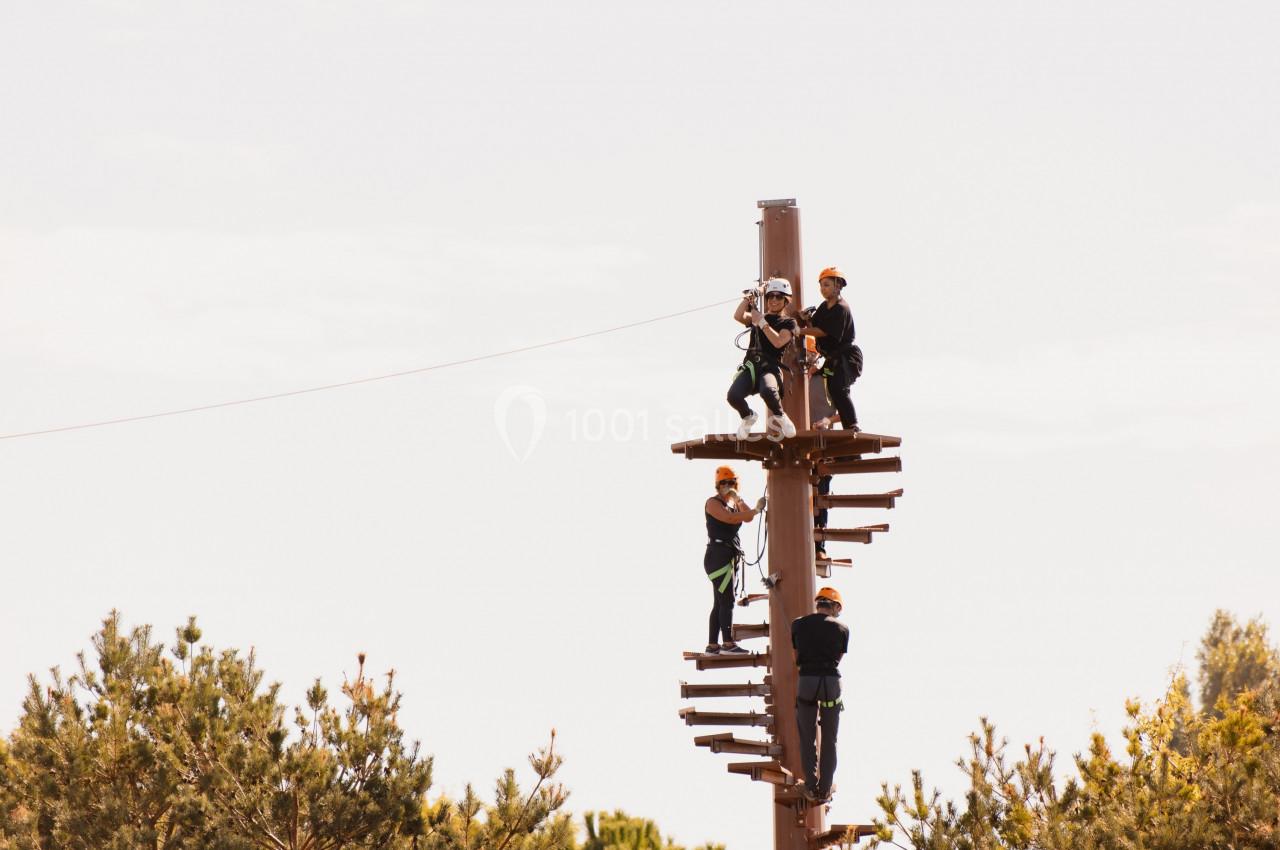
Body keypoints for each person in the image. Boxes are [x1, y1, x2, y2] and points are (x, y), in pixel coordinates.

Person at [791, 586, 849, 803]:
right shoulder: (842, 628)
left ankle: (810, 785)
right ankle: (825, 789)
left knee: (807, 738)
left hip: (807, 681)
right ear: (834, 606)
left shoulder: (798, 624)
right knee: (830, 739)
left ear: (818, 603)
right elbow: (838, 658)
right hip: (831, 684)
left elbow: (797, 656)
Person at [703, 465, 765, 654]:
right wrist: (755, 510)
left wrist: (738, 499)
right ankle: (728, 644)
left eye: (731, 482)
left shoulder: (730, 505)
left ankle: (713, 645)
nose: (728, 485)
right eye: (724, 483)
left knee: (720, 602)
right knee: (727, 601)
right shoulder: (712, 503)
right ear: (717, 485)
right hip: (717, 556)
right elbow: (731, 519)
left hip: (725, 556)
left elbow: (746, 518)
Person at [729, 278, 798, 441]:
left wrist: (761, 322)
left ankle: (781, 416)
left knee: (767, 390)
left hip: (770, 367)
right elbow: (738, 315)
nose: (773, 300)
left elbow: (778, 342)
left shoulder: (788, 322)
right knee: (733, 396)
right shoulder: (758, 317)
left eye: (778, 296)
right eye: (770, 296)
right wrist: (751, 296)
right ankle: (748, 416)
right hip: (752, 366)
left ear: (785, 300)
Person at [798, 266, 862, 433]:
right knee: (820, 378)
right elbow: (816, 327)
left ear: (838, 286)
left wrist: (799, 331)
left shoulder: (841, 308)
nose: (822, 289)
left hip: (847, 358)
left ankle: (852, 424)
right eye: (821, 285)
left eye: (826, 285)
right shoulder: (824, 307)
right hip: (833, 359)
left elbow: (823, 332)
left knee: (838, 387)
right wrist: (807, 321)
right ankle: (837, 420)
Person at [805, 337, 835, 561]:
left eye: (811, 354)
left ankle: (819, 547)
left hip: (823, 446)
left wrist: (826, 420)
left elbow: (844, 410)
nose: (808, 359)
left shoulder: (826, 379)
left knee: (820, 497)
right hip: (796, 450)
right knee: (794, 492)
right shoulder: (788, 379)